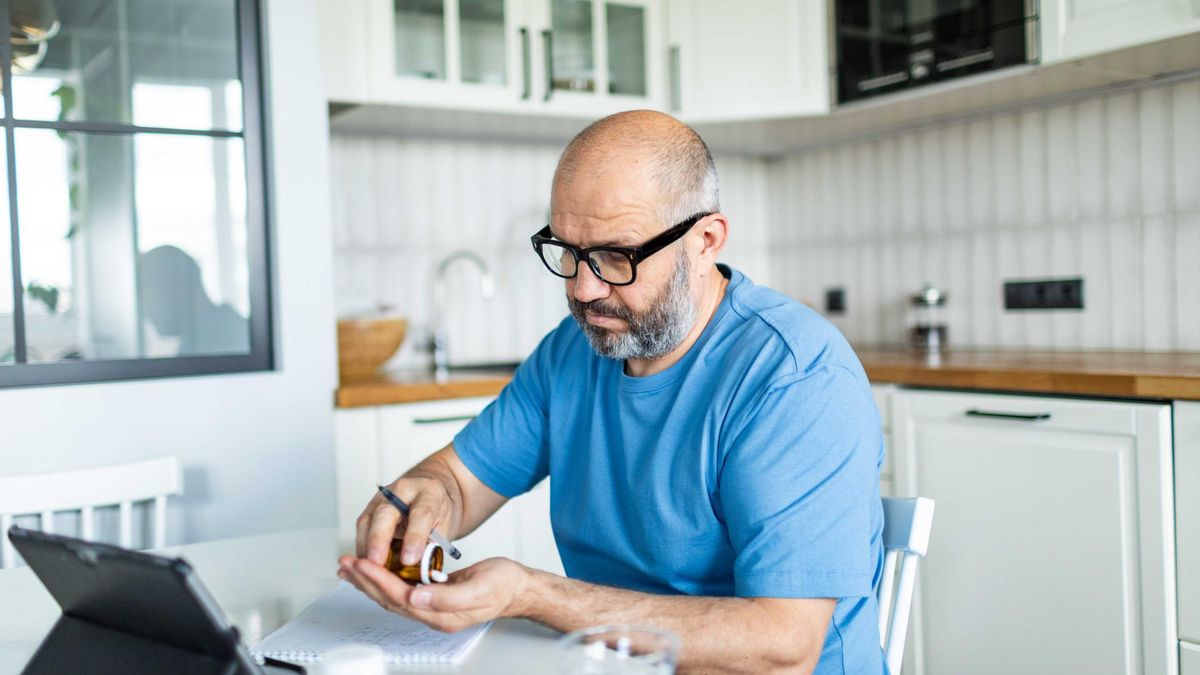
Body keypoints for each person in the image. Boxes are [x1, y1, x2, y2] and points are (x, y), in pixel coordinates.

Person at [339, 110, 886, 674]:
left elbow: (783, 648)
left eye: (615, 256)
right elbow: (458, 480)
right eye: (568, 251)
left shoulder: (794, 377)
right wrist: (422, 500)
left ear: (705, 241)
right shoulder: (572, 353)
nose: (583, 288)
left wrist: (534, 596)